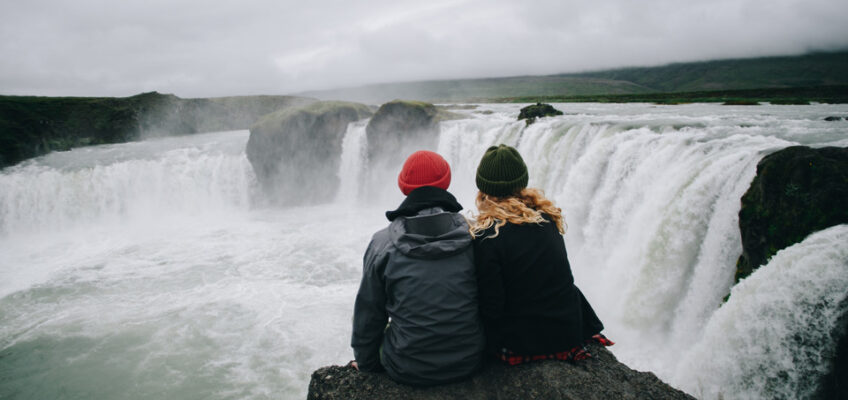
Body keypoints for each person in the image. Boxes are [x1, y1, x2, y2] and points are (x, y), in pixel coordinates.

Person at [350, 150, 485, 386]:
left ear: (403, 187)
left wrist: (367, 363)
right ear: (446, 183)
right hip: (470, 360)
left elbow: (369, 314)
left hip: (406, 366)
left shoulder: (383, 244)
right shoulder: (477, 235)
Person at [470, 144, 613, 365]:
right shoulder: (547, 219)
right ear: (521, 183)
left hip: (524, 342)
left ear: (483, 190)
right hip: (568, 332)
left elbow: (492, 307)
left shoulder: (488, 237)